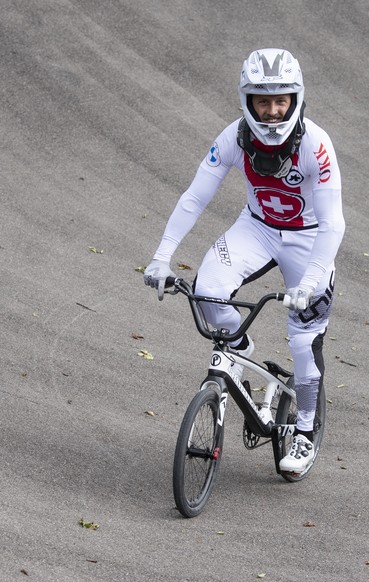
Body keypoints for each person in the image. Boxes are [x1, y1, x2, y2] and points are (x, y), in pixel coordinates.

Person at [144, 48, 345, 474]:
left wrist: (310, 280)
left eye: (281, 101)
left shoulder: (316, 145)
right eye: (262, 102)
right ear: (247, 101)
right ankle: (240, 349)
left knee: (304, 342)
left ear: (296, 99)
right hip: (256, 227)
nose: (272, 113)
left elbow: (333, 225)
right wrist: (163, 257)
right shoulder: (233, 137)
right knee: (207, 291)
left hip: (309, 239)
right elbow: (195, 197)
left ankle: (305, 433)